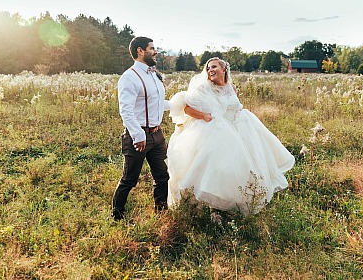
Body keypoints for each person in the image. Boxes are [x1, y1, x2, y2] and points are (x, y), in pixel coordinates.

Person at [166, 57, 295, 214]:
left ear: (224, 69)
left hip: (241, 129)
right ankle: (214, 206)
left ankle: (239, 202)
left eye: (213, 66)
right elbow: (185, 107)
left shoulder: (231, 87)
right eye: (207, 68)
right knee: (220, 168)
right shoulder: (205, 87)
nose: (210, 70)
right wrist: (204, 116)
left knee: (244, 166)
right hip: (219, 132)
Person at [112, 36, 170, 221]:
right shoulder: (129, 77)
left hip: (157, 134)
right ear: (140, 51)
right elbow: (126, 110)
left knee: (162, 177)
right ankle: (116, 217)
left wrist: (182, 103)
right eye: (152, 48)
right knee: (129, 180)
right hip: (138, 137)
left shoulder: (153, 74)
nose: (155, 51)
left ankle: (161, 214)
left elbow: (157, 103)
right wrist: (138, 135)